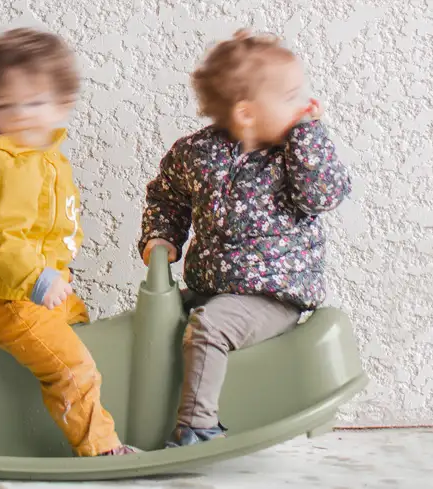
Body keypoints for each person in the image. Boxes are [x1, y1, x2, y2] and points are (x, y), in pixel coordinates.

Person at [0, 28, 137, 457]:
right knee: (71, 366)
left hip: (35, 285)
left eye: (34, 103)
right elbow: (1, 235)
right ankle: (100, 449)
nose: (19, 115)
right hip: (2, 294)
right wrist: (38, 278)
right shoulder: (1, 163)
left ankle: (73, 415)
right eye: (4, 106)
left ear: (62, 103)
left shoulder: (46, 157)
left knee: (84, 340)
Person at [138, 28, 352, 447]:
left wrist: (307, 131)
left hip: (273, 295)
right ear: (248, 113)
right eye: (291, 96)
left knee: (210, 327)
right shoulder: (196, 154)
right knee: (158, 321)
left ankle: (197, 427)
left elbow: (324, 195)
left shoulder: (294, 154)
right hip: (210, 287)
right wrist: (160, 236)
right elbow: (166, 196)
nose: (305, 103)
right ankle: (140, 416)